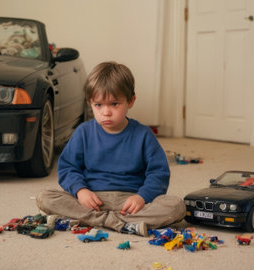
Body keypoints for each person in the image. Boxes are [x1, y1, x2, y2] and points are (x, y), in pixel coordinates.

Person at [36, 61, 185, 236]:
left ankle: (99, 221)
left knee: (176, 205)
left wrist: (141, 197)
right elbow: (68, 167)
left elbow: (159, 173)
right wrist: (81, 191)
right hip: (92, 199)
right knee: (45, 197)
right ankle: (118, 224)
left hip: (130, 202)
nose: (106, 112)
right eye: (98, 105)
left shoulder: (143, 134)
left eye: (114, 104)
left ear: (131, 101)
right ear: (90, 103)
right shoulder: (83, 132)